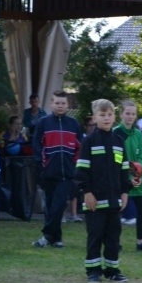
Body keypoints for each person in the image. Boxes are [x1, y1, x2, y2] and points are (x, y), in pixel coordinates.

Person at [74, 99, 132, 283]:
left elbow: (123, 169)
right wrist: (87, 192)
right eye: (102, 115)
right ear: (94, 118)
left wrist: (125, 192)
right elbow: (81, 170)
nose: (106, 118)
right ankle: (93, 270)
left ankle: (113, 270)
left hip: (114, 199)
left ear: (114, 117)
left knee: (113, 236)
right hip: (95, 200)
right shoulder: (89, 141)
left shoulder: (119, 141)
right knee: (95, 235)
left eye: (109, 115)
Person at [32, 90, 83, 249]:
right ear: (51, 104)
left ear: (67, 105)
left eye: (63, 103)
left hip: (67, 172)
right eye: (57, 103)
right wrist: (43, 164)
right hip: (49, 171)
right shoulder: (43, 123)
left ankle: (46, 235)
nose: (60, 106)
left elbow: (80, 147)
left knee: (59, 204)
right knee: (50, 206)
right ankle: (56, 238)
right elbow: (37, 145)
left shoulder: (74, 124)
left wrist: (74, 164)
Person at [114, 99, 142, 252]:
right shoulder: (115, 133)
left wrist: (140, 176)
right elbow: (115, 158)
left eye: (133, 114)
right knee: (118, 209)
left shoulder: (139, 134)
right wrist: (126, 177)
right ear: (121, 114)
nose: (130, 116)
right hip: (120, 178)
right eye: (127, 113)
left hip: (138, 178)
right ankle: (115, 241)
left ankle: (141, 242)